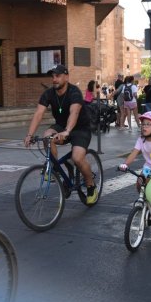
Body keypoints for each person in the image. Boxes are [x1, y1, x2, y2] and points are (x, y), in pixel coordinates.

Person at [24, 64, 99, 204]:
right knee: (47, 135)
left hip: (80, 128)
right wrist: (30, 134)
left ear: (66, 77)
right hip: (61, 127)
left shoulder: (74, 92)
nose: (54, 79)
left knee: (77, 158)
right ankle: (56, 170)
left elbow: (74, 113)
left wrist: (67, 131)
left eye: (57, 76)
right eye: (52, 76)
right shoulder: (49, 94)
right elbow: (38, 113)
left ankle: (90, 186)